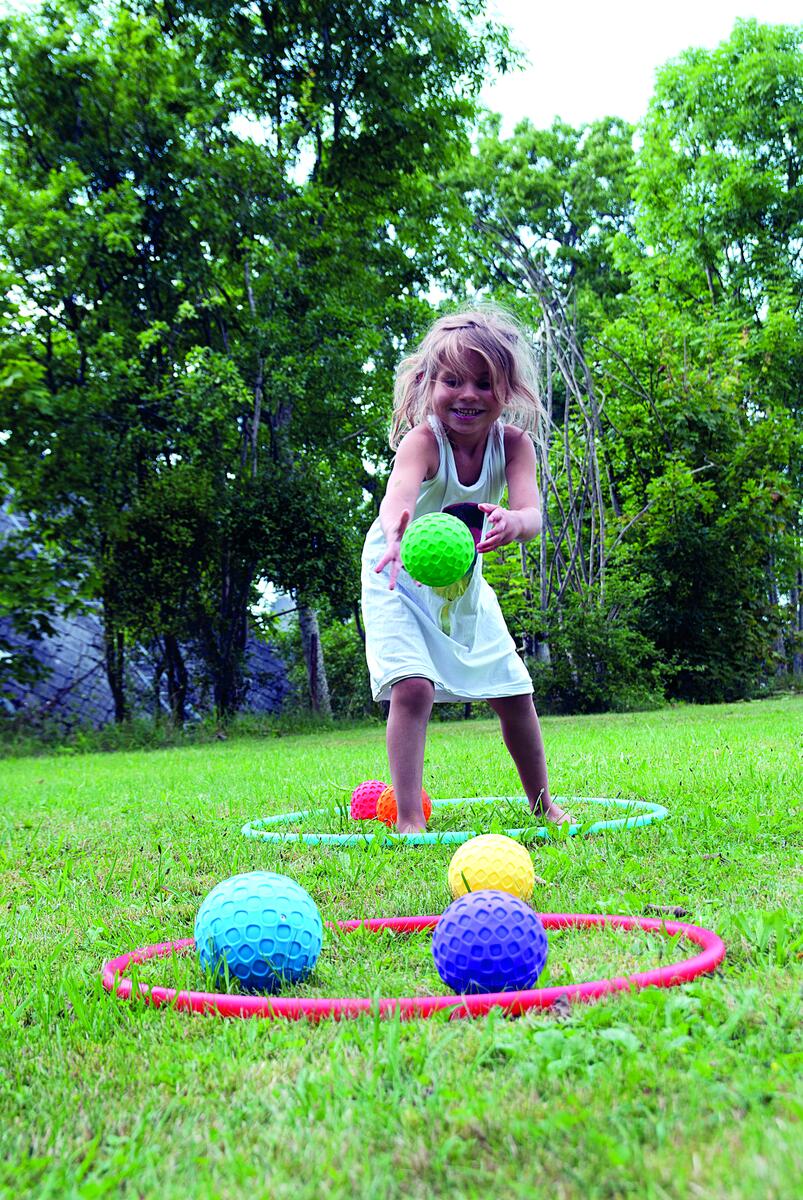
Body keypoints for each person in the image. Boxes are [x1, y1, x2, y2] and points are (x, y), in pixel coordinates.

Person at [360, 305, 570, 834]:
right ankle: (410, 819)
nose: (467, 394)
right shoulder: (424, 442)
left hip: (463, 584)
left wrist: (514, 522)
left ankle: (544, 805)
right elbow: (398, 494)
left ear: (507, 389)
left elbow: (533, 514)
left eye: (483, 382)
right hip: (394, 572)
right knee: (413, 687)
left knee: (514, 692)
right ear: (429, 385)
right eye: (452, 381)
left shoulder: (514, 445)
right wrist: (396, 527)